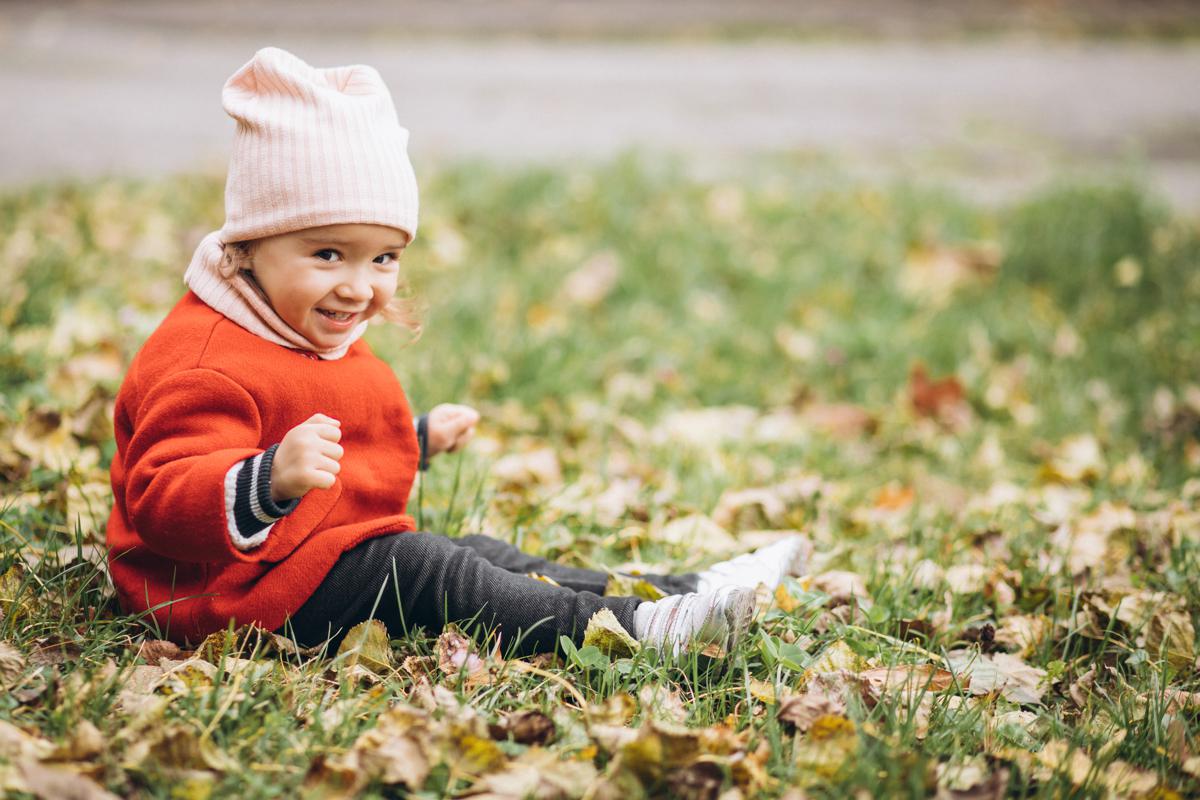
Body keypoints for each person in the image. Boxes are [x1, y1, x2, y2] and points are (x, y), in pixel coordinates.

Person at [105, 47, 811, 659]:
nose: (358, 287)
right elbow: (161, 497)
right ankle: (639, 628)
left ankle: (688, 590)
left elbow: (309, 426)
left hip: (303, 553)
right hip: (225, 594)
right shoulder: (204, 359)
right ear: (249, 245)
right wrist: (266, 481)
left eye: (384, 257)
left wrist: (410, 440)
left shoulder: (290, 319)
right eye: (327, 253)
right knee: (425, 567)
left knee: (479, 554)